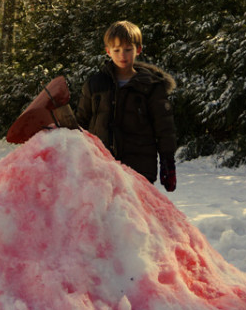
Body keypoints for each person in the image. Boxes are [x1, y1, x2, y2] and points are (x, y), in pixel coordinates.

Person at [75, 20, 177, 191]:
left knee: (133, 217)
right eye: (117, 50)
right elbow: (81, 123)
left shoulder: (151, 86)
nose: (123, 55)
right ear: (108, 51)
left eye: (128, 49)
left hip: (139, 169)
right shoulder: (95, 85)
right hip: (101, 167)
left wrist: (168, 162)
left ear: (138, 49)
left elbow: (164, 128)